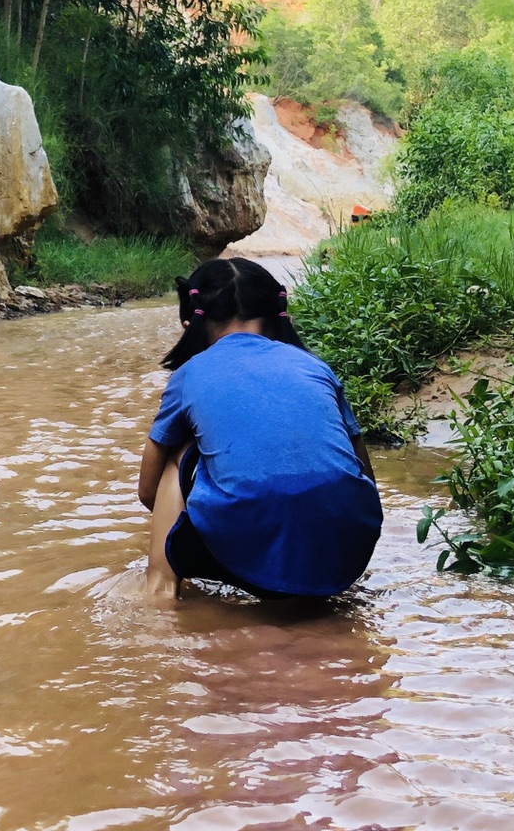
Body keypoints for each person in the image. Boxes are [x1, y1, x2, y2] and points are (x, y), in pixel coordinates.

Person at [137, 257, 382, 602]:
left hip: (246, 560)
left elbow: (148, 491)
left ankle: (158, 595)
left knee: (179, 453)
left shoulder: (190, 373)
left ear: (192, 321)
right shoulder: (316, 368)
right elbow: (365, 479)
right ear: (279, 315)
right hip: (347, 554)